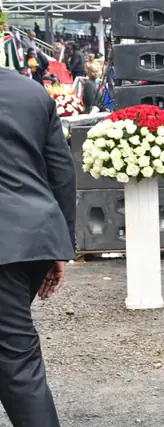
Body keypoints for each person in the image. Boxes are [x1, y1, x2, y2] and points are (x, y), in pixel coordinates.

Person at [0, 66, 76, 427]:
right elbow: (61, 170)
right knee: (14, 354)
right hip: (33, 236)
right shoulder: (31, 92)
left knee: (15, 358)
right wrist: (59, 247)